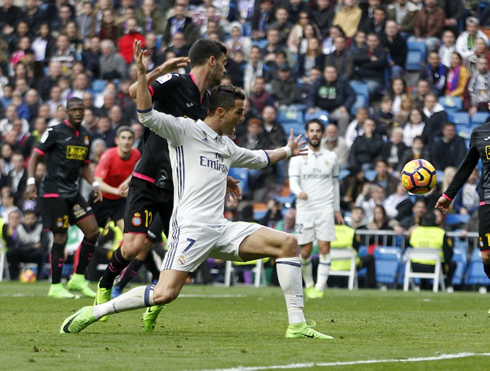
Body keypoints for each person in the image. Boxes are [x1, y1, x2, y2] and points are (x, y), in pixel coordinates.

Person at [60, 42, 333, 341]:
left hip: (220, 228)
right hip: (188, 226)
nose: (242, 118)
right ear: (220, 111)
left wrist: (288, 150)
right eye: (239, 113)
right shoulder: (184, 130)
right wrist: (145, 73)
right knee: (164, 291)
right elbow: (146, 114)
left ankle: (297, 325)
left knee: (288, 243)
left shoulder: (226, 144)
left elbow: (259, 159)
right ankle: (93, 312)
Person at [94, 39, 235, 321]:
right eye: (223, 62)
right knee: (134, 247)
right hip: (147, 176)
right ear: (211, 61)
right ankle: (106, 283)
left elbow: (204, 145)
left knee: (187, 252)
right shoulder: (175, 81)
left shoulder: (208, 102)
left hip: (181, 187)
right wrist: (156, 69)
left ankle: (156, 302)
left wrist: (224, 174)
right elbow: (136, 92)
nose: (224, 67)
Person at [26, 97, 102, 299]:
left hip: (73, 192)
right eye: (74, 109)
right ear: (66, 112)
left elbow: (85, 164)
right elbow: (36, 156)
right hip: (54, 192)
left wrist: (94, 183)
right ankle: (56, 286)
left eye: (81, 109)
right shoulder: (54, 131)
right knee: (60, 237)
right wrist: (31, 181)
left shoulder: (86, 136)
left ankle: (78, 278)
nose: (78, 113)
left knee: (93, 231)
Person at [289, 119, 344, 299]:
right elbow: (293, 181)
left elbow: (335, 184)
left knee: (324, 248)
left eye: (317, 131)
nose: (314, 134)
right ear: (307, 133)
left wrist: (336, 209)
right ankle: (309, 284)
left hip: (325, 207)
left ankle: (320, 287)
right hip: (305, 209)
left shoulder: (332, 157)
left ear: (322, 133)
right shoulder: (298, 156)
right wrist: (299, 192)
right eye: (311, 130)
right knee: (304, 252)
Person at [435, 111, 490, 284]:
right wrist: (448, 195)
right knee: (486, 256)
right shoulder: (480, 132)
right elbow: (467, 165)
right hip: (488, 198)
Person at [91, 125, 140, 233]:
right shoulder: (108, 156)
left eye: (129, 138)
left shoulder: (136, 155)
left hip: (120, 202)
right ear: (117, 140)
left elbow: (135, 175)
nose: (126, 142)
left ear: (133, 141)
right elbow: (98, 181)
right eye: (123, 138)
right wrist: (117, 191)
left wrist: (128, 186)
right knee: (92, 234)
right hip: (101, 199)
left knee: (126, 232)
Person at [408, 211, 456, 291]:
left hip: (415, 266)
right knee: (452, 264)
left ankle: (422, 285)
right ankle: (447, 286)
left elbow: (409, 245)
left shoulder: (415, 231)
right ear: (435, 220)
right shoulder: (441, 233)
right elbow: (449, 253)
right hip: (435, 266)